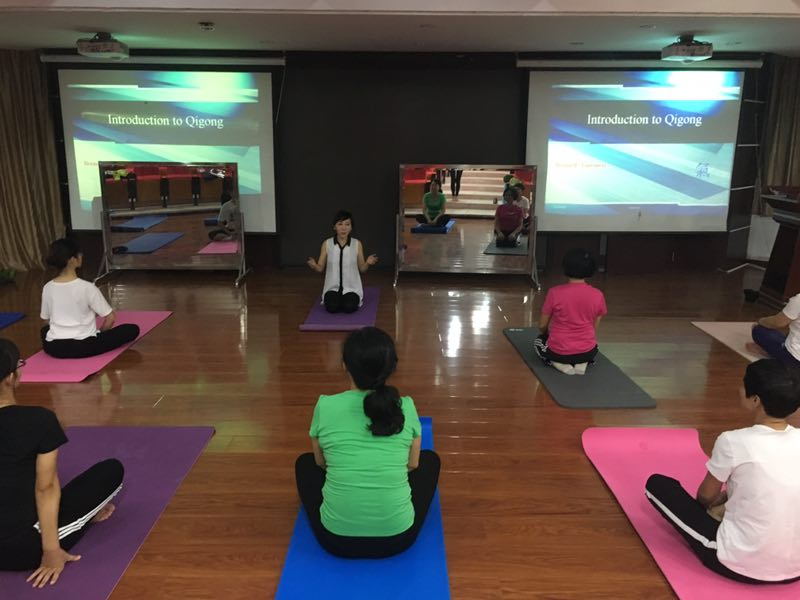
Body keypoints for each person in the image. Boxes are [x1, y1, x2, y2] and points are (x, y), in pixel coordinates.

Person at [645, 359, 800, 585]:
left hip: (736, 564)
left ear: (755, 400)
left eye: (743, 386)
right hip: (795, 568)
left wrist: (715, 506)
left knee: (658, 485)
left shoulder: (733, 441)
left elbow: (705, 496)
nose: (739, 389)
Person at [295, 327, 441, 558]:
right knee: (430, 460)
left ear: (345, 365)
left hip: (336, 540)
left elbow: (320, 463)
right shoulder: (406, 406)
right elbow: (413, 464)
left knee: (305, 463)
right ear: (392, 367)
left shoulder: (325, 405)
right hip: (398, 539)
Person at [0, 339, 124, 587]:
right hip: (22, 547)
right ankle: (86, 517)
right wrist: (51, 552)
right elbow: (45, 488)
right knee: (111, 470)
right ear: (10, 377)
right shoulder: (39, 420)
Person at [41, 239, 140, 359]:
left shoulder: (48, 287)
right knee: (132, 329)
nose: (81, 256)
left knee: (44, 331)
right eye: (79, 254)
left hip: (54, 347)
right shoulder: (87, 287)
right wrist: (100, 334)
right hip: (84, 347)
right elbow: (110, 318)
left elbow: (46, 320)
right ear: (72, 260)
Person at [534, 248, 606, 375]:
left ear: (565, 268)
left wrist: (546, 334)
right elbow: (594, 327)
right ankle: (583, 362)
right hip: (587, 352)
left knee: (538, 342)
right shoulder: (598, 295)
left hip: (559, 351)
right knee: (594, 345)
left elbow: (542, 325)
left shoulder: (554, 293)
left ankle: (556, 363)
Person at [307, 211, 378, 314]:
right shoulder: (327, 244)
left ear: (351, 227)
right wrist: (314, 266)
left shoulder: (357, 244)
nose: (343, 228)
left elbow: (362, 269)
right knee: (332, 307)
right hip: (332, 288)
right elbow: (320, 268)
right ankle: (337, 299)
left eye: (347, 224)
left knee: (349, 307)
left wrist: (368, 263)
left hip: (351, 288)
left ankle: (345, 300)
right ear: (334, 227)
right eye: (340, 224)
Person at [750, 293, 800, 367]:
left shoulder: (798, 300)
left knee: (758, 330)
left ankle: (770, 352)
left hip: (794, 359)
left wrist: (760, 321)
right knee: (784, 335)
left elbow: (777, 322)